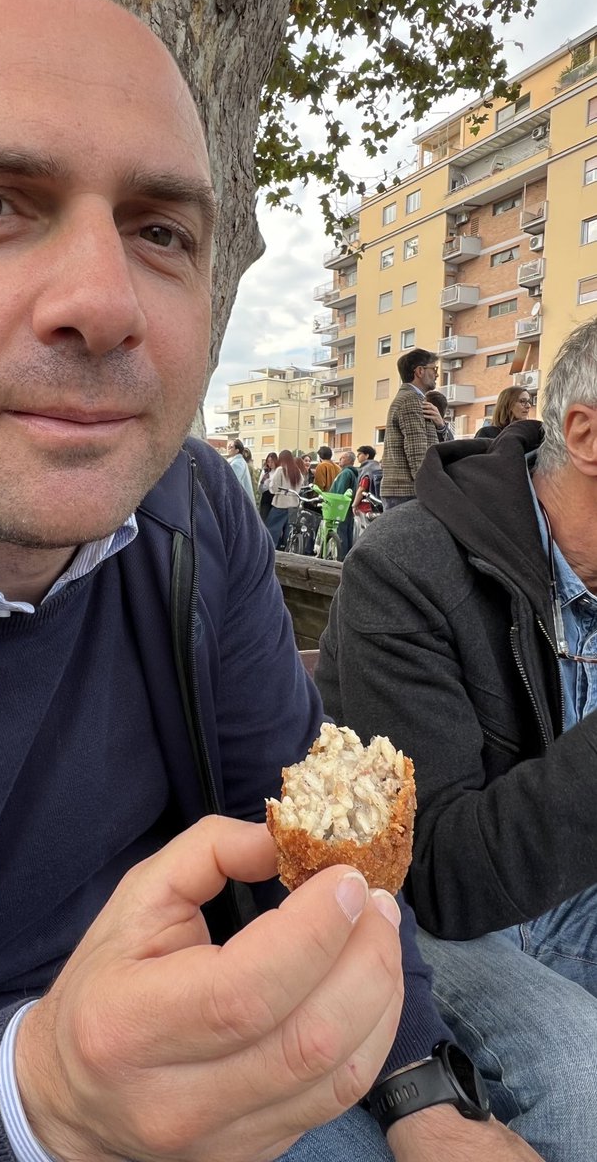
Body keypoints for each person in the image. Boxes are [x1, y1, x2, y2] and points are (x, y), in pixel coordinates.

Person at [0, 0, 539, 1162]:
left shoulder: (201, 516)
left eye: (159, 232)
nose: (103, 305)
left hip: (241, 1005)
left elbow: (305, 819)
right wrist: (44, 1097)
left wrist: (421, 1096)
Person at [316, 316, 597, 1161]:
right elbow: (438, 877)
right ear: (587, 433)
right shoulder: (409, 570)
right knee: (576, 1070)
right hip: (438, 914)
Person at [380, 348, 441, 509]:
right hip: (407, 492)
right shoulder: (411, 400)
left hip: (403, 491)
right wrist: (429, 490)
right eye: (434, 369)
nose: (437, 375)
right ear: (420, 371)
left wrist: (440, 425)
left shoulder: (412, 399)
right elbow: (417, 451)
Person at [266, 448, 305, 550]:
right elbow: (300, 487)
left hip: (281, 504)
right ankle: (287, 550)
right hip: (294, 504)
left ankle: (270, 549)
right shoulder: (297, 472)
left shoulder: (281, 470)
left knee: (273, 529)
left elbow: (274, 488)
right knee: (289, 531)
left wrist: (269, 485)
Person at [329, 449, 358, 558]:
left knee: (341, 532)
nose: (340, 459)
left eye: (343, 458)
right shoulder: (353, 473)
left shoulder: (345, 473)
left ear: (349, 460)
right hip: (348, 507)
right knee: (348, 532)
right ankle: (348, 556)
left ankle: (342, 556)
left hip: (341, 507)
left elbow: (340, 491)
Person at [353, 444, 383, 538]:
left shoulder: (367, 469)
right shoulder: (377, 467)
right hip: (377, 505)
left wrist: (354, 504)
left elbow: (362, 488)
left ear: (367, 455)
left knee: (363, 533)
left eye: (360, 454)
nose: (357, 456)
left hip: (366, 507)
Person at [258, 451, 279, 521]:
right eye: (268, 462)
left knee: (273, 520)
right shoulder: (265, 471)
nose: (270, 464)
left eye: (272, 461)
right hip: (266, 497)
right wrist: (263, 481)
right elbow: (260, 489)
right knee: (264, 518)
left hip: (275, 497)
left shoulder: (279, 471)